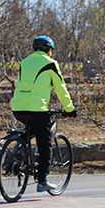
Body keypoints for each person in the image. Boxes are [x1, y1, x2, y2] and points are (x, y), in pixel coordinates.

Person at [10, 35, 77, 192]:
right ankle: (42, 181)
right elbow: (61, 88)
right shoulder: (50, 64)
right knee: (45, 143)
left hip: (18, 108)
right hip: (37, 109)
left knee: (31, 129)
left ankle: (21, 148)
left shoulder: (24, 62)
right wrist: (70, 109)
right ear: (49, 50)